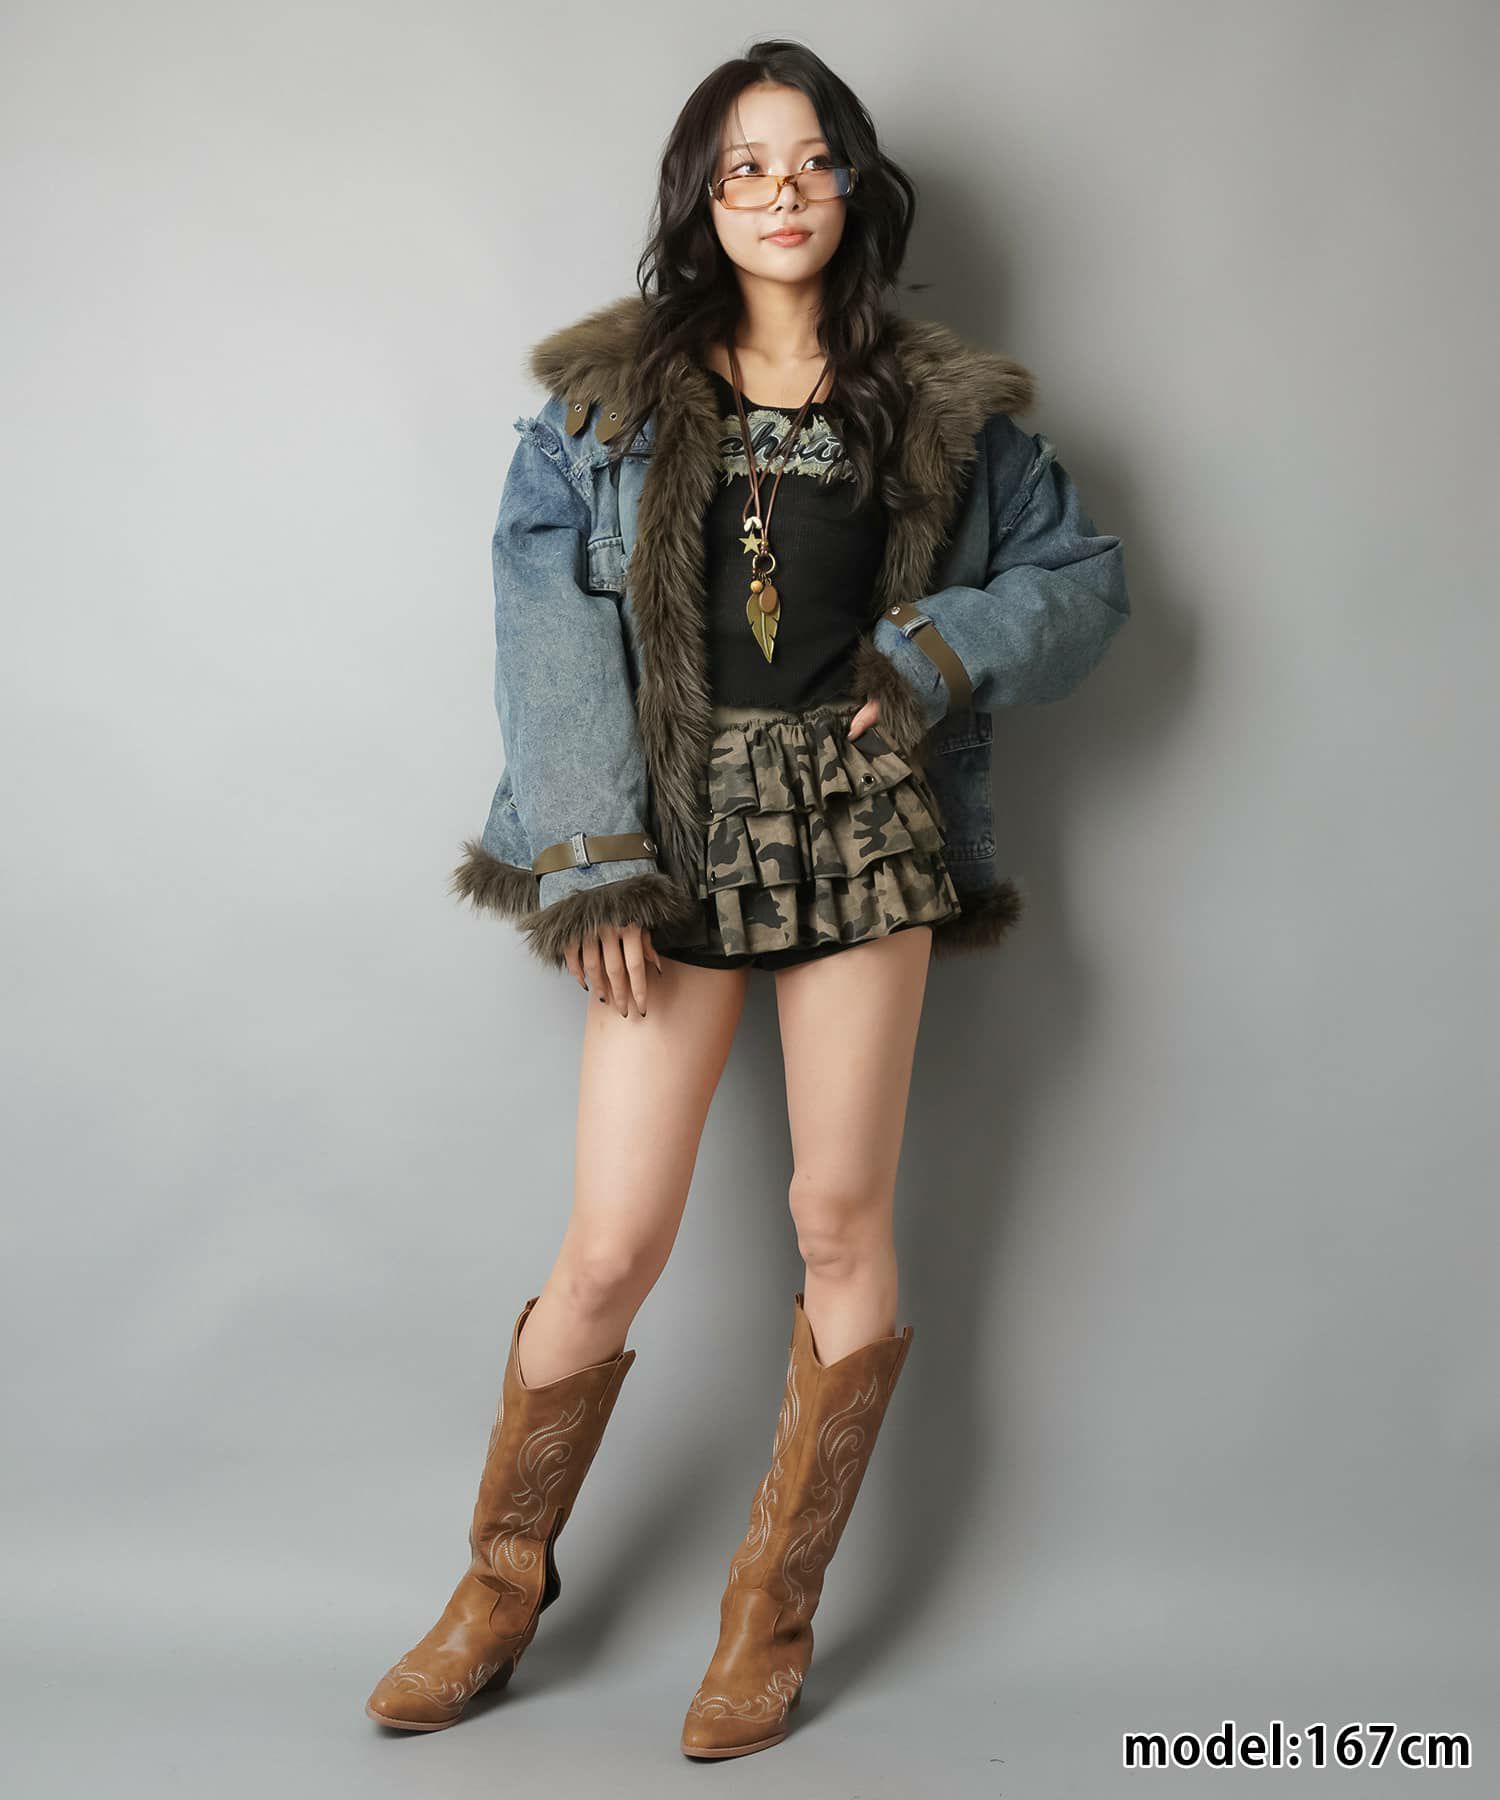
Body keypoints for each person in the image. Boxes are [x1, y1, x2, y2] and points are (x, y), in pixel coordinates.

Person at [365, 38, 1130, 1759]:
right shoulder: (610, 405)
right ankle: (496, 1590)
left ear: (852, 184)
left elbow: (1082, 585)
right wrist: (591, 856)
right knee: (611, 1247)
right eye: (744, 168)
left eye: (808, 161)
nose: (780, 193)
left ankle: (766, 1618)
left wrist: (939, 649)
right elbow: (546, 623)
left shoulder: (941, 409)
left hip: (861, 825)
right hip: (669, 828)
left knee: (838, 1218)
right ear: (701, 202)